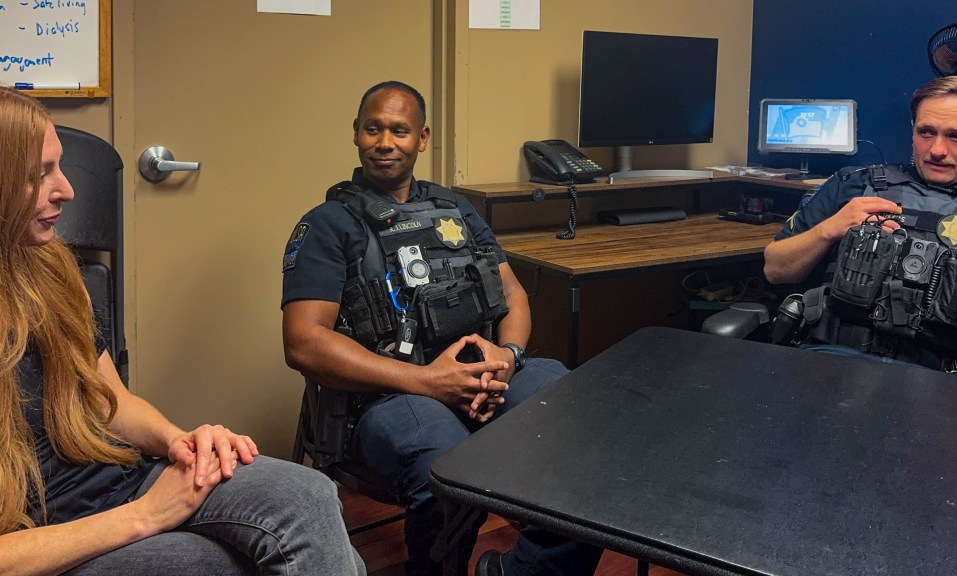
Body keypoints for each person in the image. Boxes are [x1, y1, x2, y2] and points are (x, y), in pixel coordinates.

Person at [0, 87, 366, 576]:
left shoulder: (51, 269)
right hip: (45, 538)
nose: (66, 189)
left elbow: (110, 399)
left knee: (309, 496)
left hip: (119, 482)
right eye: (37, 175)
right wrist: (146, 517)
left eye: (59, 166)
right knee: (223, 563)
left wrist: (178, 442)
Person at [281, 81, 603, 576]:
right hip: (386, 396)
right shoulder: (328, 224)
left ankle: (523, 569)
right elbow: (303, 342)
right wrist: (428, 381)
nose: (385, 142)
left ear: (422, 138)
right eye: (373, 128)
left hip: (481, 375)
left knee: (579, 415)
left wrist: (509, 357)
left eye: (400, 130)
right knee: (449, 462)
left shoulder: (456, 209)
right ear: (356, 134)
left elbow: (513, 294)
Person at [763, 75, 957, 375]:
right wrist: (831, 228)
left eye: (956, 137)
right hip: (829, 362)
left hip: (941, 385)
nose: (937, 150)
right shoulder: (853, 184)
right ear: (912, 130)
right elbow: (775, 270)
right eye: (926, 132)